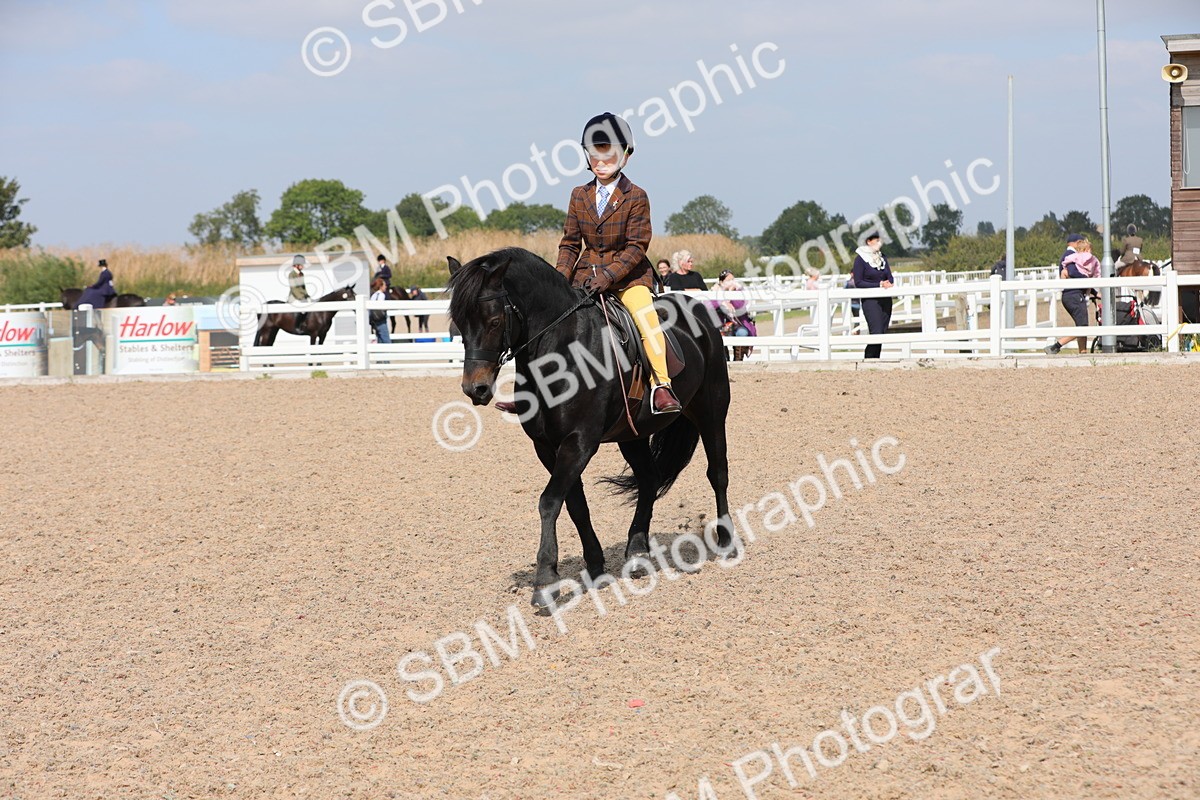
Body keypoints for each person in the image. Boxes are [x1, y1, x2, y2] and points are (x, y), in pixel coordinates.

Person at [555, 111, 680, 413]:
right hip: (584, 276)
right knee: (551, 320)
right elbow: (571, 243)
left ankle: (662, 386)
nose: (600, 161)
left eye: (607, 154)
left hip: (628, 279)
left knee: (645, 319)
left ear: (625, 155)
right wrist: (558, 278)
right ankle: (538, 388)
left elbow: (637, 247)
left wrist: (610, 276)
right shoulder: (578, 195)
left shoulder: (636, 196)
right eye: (594, 154)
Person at [1045, 237, 1100, 354]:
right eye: (1089, 250)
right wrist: (1088, 281)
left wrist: (1094, 292)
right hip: (1074, 295)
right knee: (1083, 325)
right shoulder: (1073, 258)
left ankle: (1083, 352)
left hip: (1074, 295)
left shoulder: (1077, 260)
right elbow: (1072, 272)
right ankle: (1056, 346)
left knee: (1081, 323)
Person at [851, 232, 895, 359]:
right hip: (870, 300)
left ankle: (876, 359)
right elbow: (858, 282)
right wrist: (879, 284)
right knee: (875, 331)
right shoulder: (860, 259)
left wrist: (888, 283)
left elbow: (890, 277)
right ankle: (869, 358)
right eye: (877, 240)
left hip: (885, 299)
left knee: (882, 331)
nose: (879, 243)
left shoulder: (882, 258)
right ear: (869, 241)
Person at [714, 269, 756, 361]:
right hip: (722, 326)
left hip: (738, 325)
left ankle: (738, 359)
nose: (731, 282)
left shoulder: (738, 292)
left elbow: (740, 306)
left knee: (742, 333)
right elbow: (710, 305)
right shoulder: (715, 292)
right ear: (721, 282)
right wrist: (723, 303)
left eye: (733, 280)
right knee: (718, 335)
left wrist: (730, 293)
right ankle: (724, 359)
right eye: (728, 280)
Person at [288, 254, 310, 331]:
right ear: (297, 265)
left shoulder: (301, 274)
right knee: (303, 309)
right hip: (294, 297)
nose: (303, 266)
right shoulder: (292, 274)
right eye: (302, 265)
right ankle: (297, 326)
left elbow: (303, 287)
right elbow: (294, 288)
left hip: (302, 297)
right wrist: (301, 297)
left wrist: (307, 295)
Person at [369, 277, 391, 343]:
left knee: (380, 340)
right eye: (384, 285)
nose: (386, 286)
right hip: (381, 320)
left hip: (374, 321)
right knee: (386, 340)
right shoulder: (381, 295)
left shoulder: (373, 295)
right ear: (380, 286)